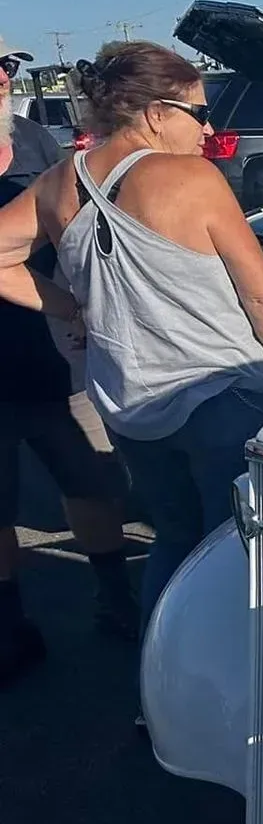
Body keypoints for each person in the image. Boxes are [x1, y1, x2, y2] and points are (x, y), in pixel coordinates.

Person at [0, 40, 263, 641]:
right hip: (220, 394)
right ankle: (252, 680)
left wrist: (72, 308)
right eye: (197, 112)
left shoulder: (61, 182)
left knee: (175, 538)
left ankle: (160, 675)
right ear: (155, 112)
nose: (207, 127)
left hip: (129, 405)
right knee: (249, 546)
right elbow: (262, 295)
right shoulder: (194, 178)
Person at [0, 36, 138, 685]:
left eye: (5, 66)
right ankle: (10, 629)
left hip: (50, 348)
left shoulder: (35, 143)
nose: (1, 77)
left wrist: (75, 304)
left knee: (91, 479)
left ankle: (116, 600)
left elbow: (65, 232)